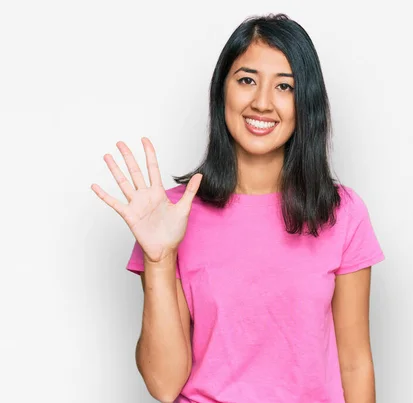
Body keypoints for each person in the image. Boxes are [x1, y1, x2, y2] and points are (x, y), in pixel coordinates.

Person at [91, 13, 385, 403]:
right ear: (222, 92)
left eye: (285, 86)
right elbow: (163, 384)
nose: (262, 102)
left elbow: (355, 362)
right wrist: (159, 260)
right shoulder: (172, 214)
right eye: (247, 80)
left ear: (305, 103)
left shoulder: (342, 213)